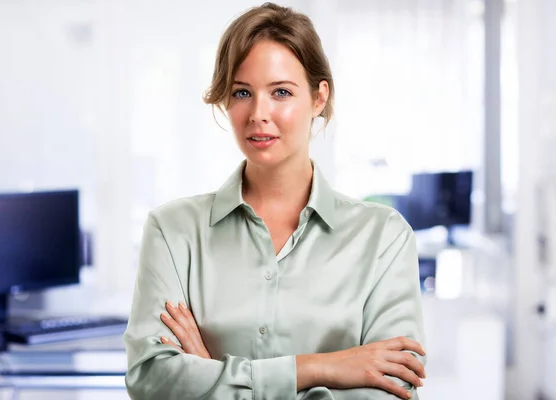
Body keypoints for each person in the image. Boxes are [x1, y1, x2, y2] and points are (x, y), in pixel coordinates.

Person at [124, 3, 427, 399]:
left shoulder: (384, 239)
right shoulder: (173, 231)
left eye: (281, 92)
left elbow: (392, 390)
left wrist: (214, 376)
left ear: (319, 98)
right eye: (242, 93)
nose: (258, 114)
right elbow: (152, 382)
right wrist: (323, 368)